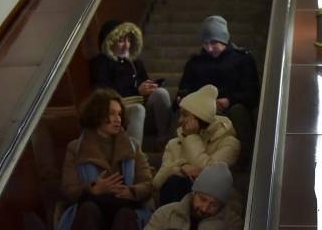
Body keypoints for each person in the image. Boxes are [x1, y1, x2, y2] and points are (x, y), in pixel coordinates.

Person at [61, 88, 153, 230]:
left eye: (119, 114)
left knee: (126, 214)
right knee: (88, 209)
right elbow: (68, 189)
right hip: (92, 212)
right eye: (111, 114)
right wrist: (93, 188)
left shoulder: (133, 147)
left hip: (122, 210)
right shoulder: (75, 148)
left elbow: (147, 183)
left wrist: (131, 191)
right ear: (97, 115)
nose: (117, 119)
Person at [178, 15, 260, 165]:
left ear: (224, 40)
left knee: (239, 111)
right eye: (205, 44)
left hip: (231, 107)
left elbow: (252, 93)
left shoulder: (242, 60)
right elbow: (184, 90)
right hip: (200, 111)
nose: (209, 48)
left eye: (214, 43)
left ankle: (245, 159)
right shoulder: (195, 63)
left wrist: (230, 100)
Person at [152, 84, 241, 205]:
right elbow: (157, 183)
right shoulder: (174, 143)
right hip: (174, 205)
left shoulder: (229, 143)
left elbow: (210, 177)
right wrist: (182, 167)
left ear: (199, 117)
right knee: (175, 182)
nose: (179, 120)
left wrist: (192, 138)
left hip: (210, 208)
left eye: (185, 115)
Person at [90, 19, 172, 149]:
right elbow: (104, 94)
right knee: (138, 110)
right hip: (119, 114)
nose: (126, 45)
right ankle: (133, 157)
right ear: (110, 42)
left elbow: (143, 84)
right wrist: (136, 91)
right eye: (121, 41)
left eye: (128, 40)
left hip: (142, 109)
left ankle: (164, 141)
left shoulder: (135, 63)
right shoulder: (100, 63)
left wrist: (150, 87)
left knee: (161, 94)